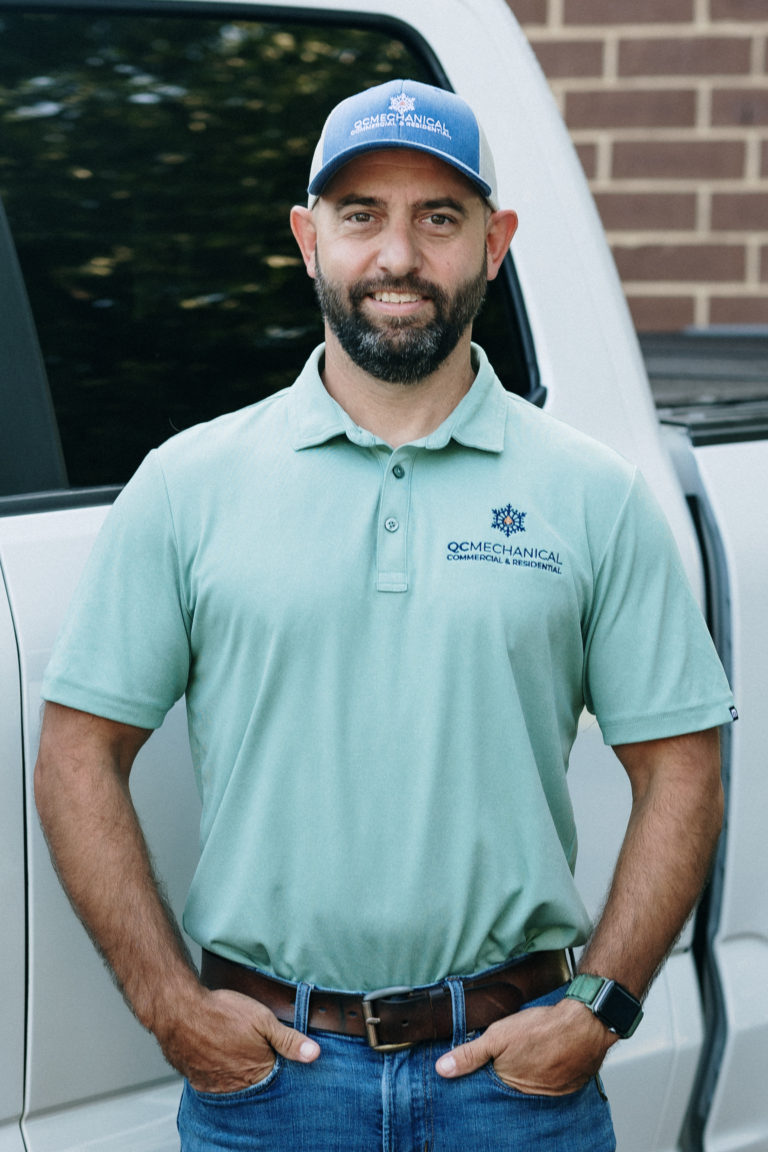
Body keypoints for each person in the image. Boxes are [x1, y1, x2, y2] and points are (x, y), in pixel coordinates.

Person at [35, 78, 736, 1151]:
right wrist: (170, 1009)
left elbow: (682, 764)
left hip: (515, 1086)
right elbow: (78, 751)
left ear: (494, 244)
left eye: (438, 218)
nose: (398, 257)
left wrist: (601, 1010)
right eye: (361, 216)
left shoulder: (591, 496)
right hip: (269, 1088)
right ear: (308, 240)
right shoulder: (188, 483)